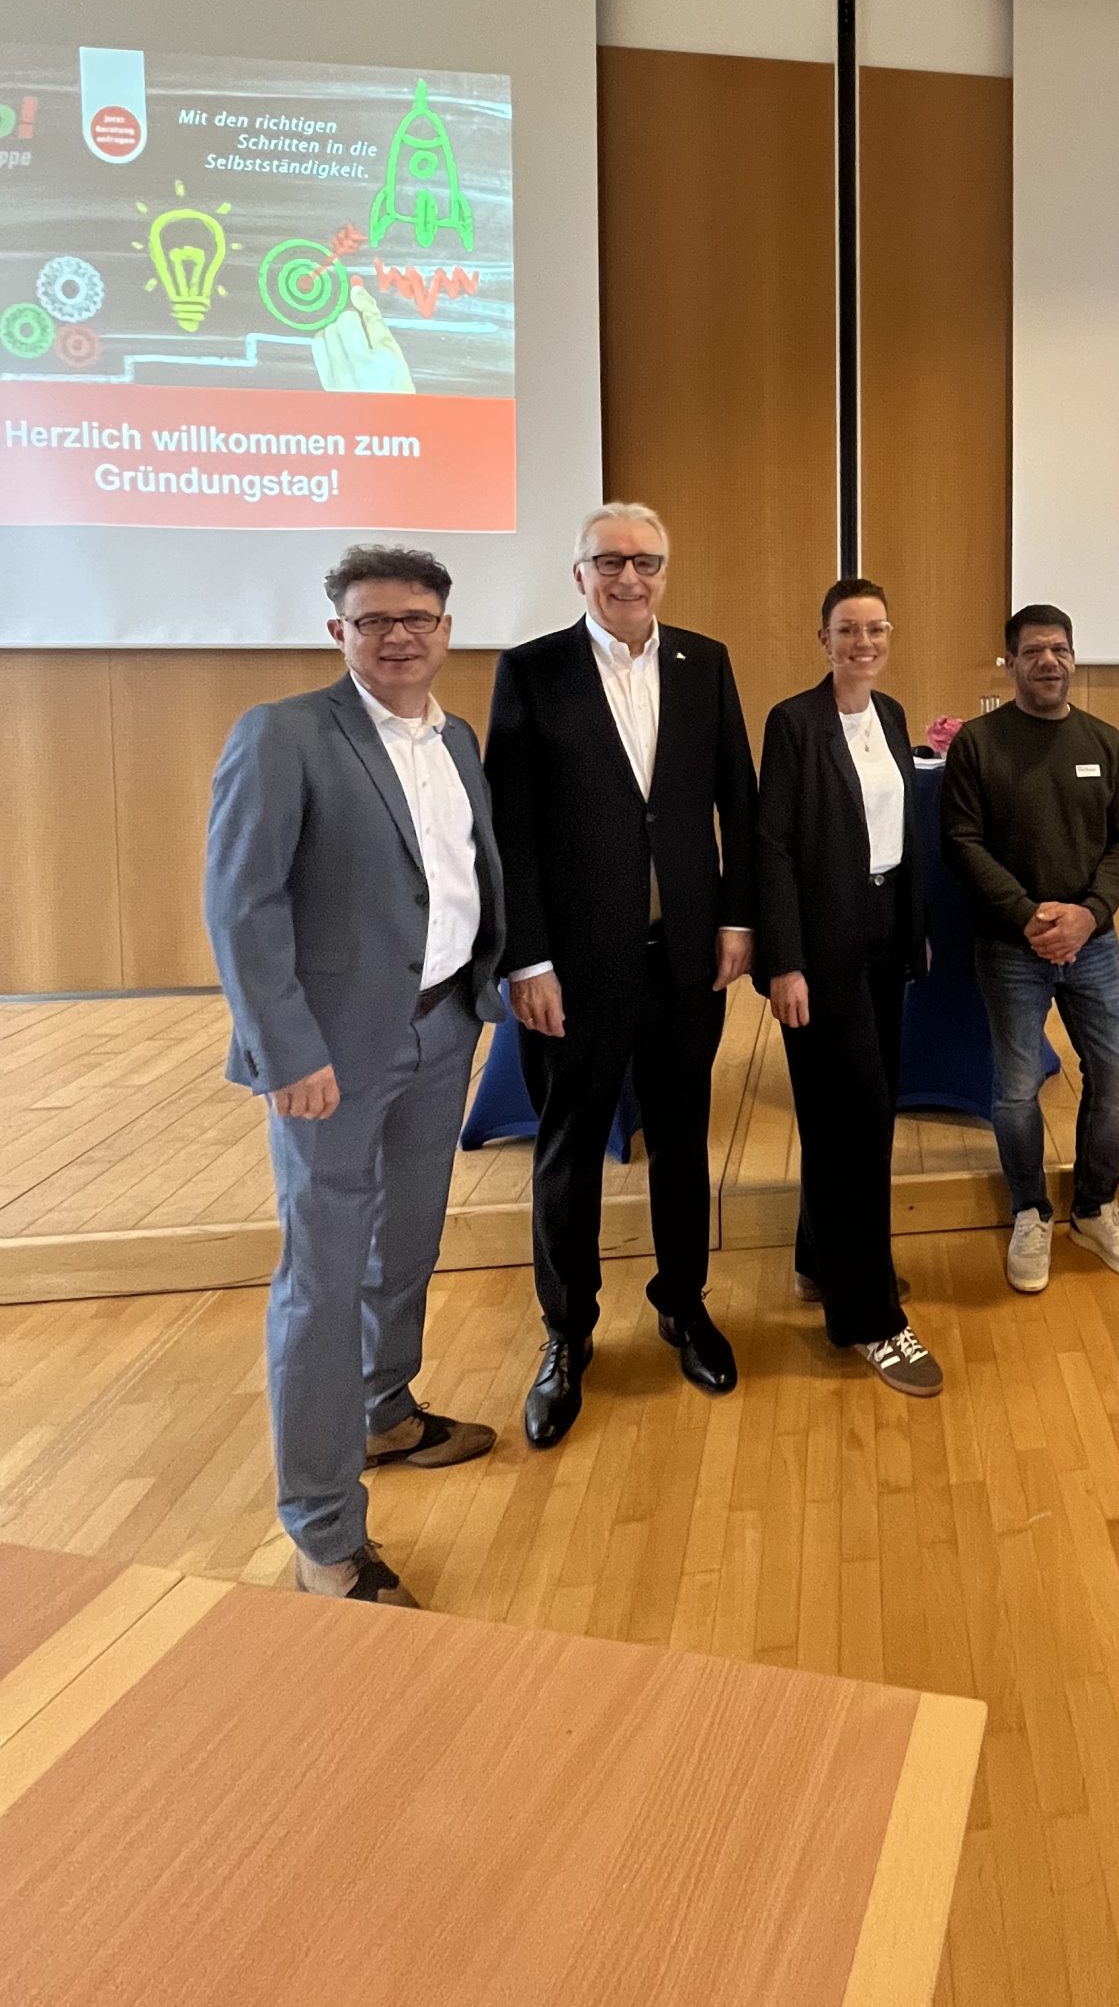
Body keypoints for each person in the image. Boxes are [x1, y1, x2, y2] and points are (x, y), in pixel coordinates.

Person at [204, 546, 505, 1607]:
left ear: (445, 628)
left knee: (406, 1248)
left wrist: (492, 990)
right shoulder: (283, 735)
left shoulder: (455, 738)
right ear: (339, 632)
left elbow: (462, 881)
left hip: (440, 1032)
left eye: (417, 617)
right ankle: (325, 1535)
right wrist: (288, 1054)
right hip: (330, 1060)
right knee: (323, 1282)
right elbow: (242, 905)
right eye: (373, 620)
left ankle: (385, 1412)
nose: (398, 636)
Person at [485, 502, 757, 1448]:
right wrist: (527, 958)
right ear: (579, 573)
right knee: (569, 1151)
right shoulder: (531, 671)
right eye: (610, 561)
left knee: (684, 1139)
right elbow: (509, 831)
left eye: (645, 561)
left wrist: (734, 917)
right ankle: (569, 1335)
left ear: (666, 571)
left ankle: (683, 1303)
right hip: (573, 969)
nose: (628, 577)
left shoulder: (704, 661)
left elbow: (737, 800)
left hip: (684, 956)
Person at [757, 578, 940, 1397]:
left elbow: (897, 833)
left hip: (883, 938)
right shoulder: (794, 723)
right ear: (821, 637)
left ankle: (822, 1261)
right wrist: (785, 963)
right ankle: (868, 1317)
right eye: (846, 629)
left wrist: (912, 931)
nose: (862, 641)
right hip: (821, 951)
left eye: (875, 628)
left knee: (858, 1111)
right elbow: (774, 850)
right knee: (855, 1119)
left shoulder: (893, 714)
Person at [940, 604, 1119, 1293]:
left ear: (1073, 655)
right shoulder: (978, 742)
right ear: (1011, 661)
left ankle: (1094, 1206)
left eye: (1059, 648)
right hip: (1011, 945)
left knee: (1118, 1075)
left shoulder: (1105, 739)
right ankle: (1029, 1209)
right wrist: (1030, 914)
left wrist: (1088, 916)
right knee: (1015, 1087)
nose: (1048, 661)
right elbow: (961, 842)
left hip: (1092, 941)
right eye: (1033, 650)